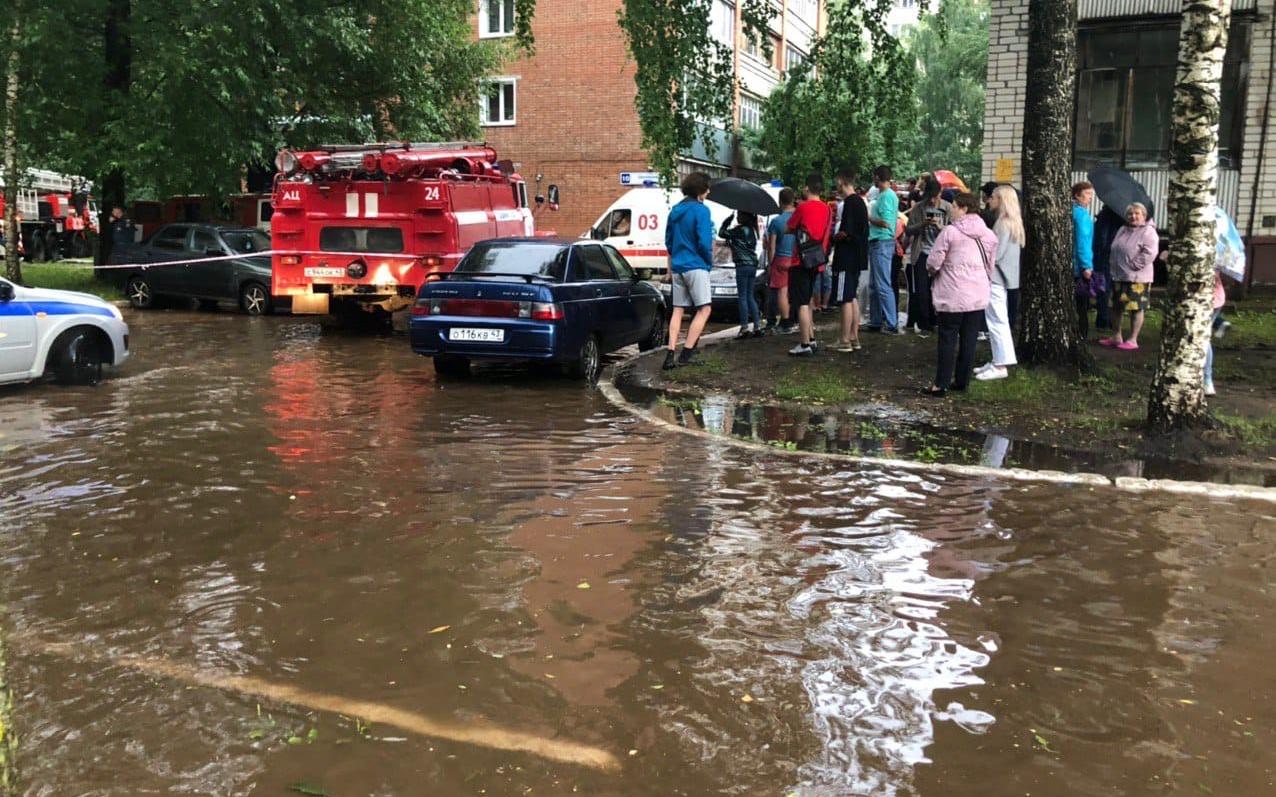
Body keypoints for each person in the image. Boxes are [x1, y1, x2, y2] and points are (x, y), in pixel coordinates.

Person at [923, 192, 997, 397]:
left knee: (947, 338)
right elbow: (990, 266)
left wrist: (933, 272)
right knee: (969, 339)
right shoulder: (989, 235)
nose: (952, 210)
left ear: (964, 208)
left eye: (954, 206)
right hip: (977, 295)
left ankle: (941, 384)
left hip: (952, 294)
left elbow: (934, 262)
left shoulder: (949, 232)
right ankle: (962, 381)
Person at [663, 172, 715, 370]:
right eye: (707, 188)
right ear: (700, 190)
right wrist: (707, 261)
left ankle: (669, 354)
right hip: (696, 265)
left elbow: (668, 240)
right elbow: (704, 241)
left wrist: (676, 255)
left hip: (678, 266)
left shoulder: (675, 210)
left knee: (678, 309)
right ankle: (687, 353)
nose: (708, 192)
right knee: (705, 309)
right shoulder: (702, 211)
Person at [976, 185, 1023, 381]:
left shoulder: (1003, 224)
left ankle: (1000, 364)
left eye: (993, 197)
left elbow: (996, 254)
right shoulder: (1012, 222)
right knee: (998, 319)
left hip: (996, 276)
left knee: (996, 321)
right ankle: (998, 360)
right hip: (1003, 277)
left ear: (1001, 200)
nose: (989, 200)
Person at [786, 173, 833, 356]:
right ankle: (811, 338)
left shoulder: (803, 208)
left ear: (807, 188)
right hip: (817, 259)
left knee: (802, 303)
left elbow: (789, 227)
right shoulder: (827, 209)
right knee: (809, 299)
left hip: (801, 260)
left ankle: (804, 343)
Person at [1100, 202, 1157, 351]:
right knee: (1115, 306)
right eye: (1130, 214)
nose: (1133, 216)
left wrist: (1134, 265)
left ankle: (1133, 339)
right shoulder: (1123, 229)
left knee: (1136, 307)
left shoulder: (1148, 232)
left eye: (1137, 213)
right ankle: (1116, 336)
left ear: (1143, 216)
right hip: (1118, 275)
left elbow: (1150, 252)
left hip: (1137, 278)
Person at [903, 176, 951, 336]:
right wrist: (922, 225)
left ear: (940, 193)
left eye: (934, 196)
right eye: (929, 196)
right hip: (922, 252)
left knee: (938, 289)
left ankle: (935, 320)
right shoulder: (918, 208)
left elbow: (954, 232)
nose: (932, 200)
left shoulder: (948, 208)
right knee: (922, 290)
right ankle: (924, 324)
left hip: (941, 255)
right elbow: (908, 230)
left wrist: (941, 227)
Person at [832, 169, 868, 352]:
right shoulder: (860, 202)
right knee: (852, 297)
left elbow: (846, 231)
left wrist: (835, 237)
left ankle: (844, 339)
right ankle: (854, 337)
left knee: (845, 298)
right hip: (858, 257)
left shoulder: (850, 203)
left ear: (842, 182)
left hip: (846, 257)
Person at [867, 165, 900, 334]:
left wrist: (870, 219)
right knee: (874, 284)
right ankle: (875, 320)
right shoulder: (884, 195)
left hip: (882, 241)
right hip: (877, 241)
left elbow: (886, 222)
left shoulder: (887, 196)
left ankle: (892, 322)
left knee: (883, 284)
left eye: (874, 176)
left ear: (878, 177)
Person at [720, 211, 762, 339]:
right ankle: (757, 325)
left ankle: (744, 327)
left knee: (742, 297)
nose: (737, 217)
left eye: (739, 215)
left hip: (742, 266)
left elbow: (721, 233)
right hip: (752, 266)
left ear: (744, 216)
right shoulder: (753, 231)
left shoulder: (738, 230)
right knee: (750, 296)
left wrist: (728, 219)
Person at [765, 188, 798, 334]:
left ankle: (785, 322)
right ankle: (798, 318)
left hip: (781, 259)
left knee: (782, 292)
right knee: (795, 291)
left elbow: (771, 246)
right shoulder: (799, 217)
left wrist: (770, 264)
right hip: (797, 258)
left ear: (780, 202)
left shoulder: (776, 221)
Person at [1072, 181, 1099, 339]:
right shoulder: (1081, 215)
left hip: (1071, 263)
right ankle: (1082, 334)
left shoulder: (1071, 212)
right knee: (1082, 304)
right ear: (1077, 195)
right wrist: (1087, 265)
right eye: (1088, 194)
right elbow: (1083, 241)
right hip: (1079, 266)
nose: (1090, 198)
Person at [1092, 206, 1123, 331]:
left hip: (1103, 256)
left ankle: (1103, 318)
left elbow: (1101, 238)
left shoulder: (1105, 215)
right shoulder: (1117, 216)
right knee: (1107, 289)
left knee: (1103, 288)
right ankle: (1105, 319)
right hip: (1110, 256)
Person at [1204, 271, 1225, 396]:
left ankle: (1207, 380)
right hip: (1212, 299)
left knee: (1203, 339)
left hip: (1209, 301)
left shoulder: (1211, 253)